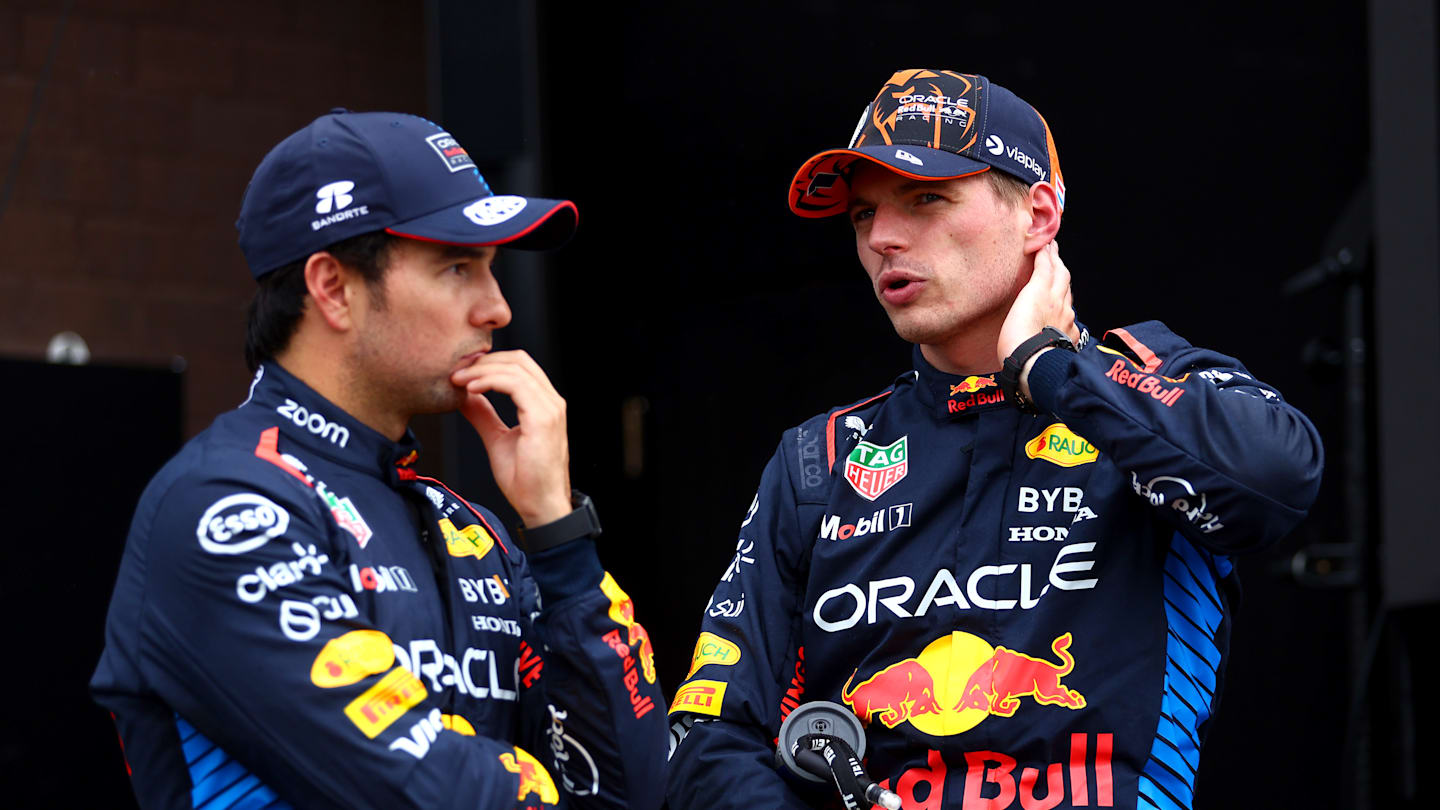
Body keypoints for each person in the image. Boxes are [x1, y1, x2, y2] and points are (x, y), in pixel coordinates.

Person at [665, 69, 1323, 809]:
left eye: (927, 198)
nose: (882, 237)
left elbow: (1277, 484)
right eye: (862, 215)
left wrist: (1050, 370)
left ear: (1038, 215)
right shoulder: (821, 459)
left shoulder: (1156, 385)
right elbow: (708, 738)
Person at [91, 110, 666, 810]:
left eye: (491, 269)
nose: (497, 308)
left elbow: (633, 787)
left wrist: (555, 531)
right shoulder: (225, 505)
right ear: (333, 289)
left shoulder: (475, 533)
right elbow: (419, 793)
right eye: (457, 267)